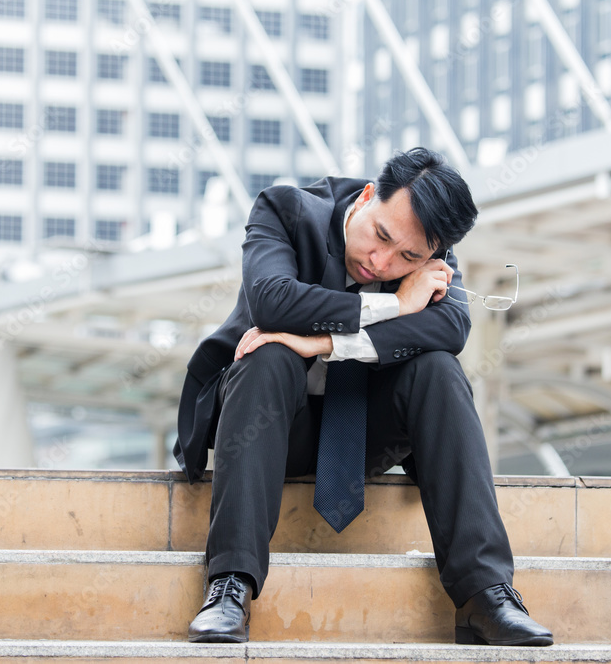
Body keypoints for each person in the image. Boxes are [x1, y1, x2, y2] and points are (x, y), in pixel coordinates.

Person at [172, 147, 552, 646]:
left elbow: (453, 325)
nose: (383, 261)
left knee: (438, 368)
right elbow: (271, 298)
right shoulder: (286, 210)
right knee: (268, 355)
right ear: (369, 196)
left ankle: (487, 594)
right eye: (381, 236)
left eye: (410, 258)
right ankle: (230, 585)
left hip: (360, 438)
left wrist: (326, 341)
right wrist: (393, 302)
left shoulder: (432, 250)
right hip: (267, 426)